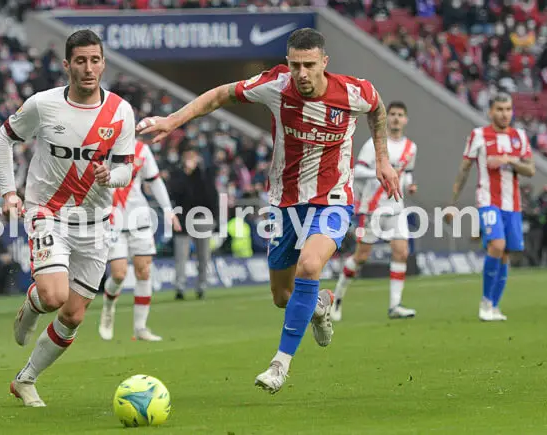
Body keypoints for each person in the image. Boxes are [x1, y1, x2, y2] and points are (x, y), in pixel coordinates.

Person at [136, 28, 400, 394]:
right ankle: (319, 303)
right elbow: (221, 94)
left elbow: (378, 109)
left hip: (333, 199)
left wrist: (383, 159)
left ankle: (280, 364)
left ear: (324, 62)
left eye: (309, 65)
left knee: (310, 265)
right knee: (282, 297)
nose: (302, 73)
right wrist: (171, 121)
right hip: (284, 203)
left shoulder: (354, 91)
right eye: (295, 65)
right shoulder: (276, 85)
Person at [0, 30, 136, 408]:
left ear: (103, 64)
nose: (88, 68)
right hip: (48, 212)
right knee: (54, 296)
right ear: (67, 65)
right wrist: (9, 192)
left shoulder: (121, 111)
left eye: (95, 60)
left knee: (73, 315)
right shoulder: (44, 104)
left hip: (96, 222)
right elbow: (3, 138)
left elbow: (126, 169)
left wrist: (111, 176)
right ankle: (34, 303)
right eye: (80, 61)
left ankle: (25, 379)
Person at [446, 93, 536, 322]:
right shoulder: (478, 135)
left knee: (505, 254)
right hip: (488, 200)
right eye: (500, 109)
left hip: (512, 204)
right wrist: (452, 203)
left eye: (508, 109)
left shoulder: (519, 136)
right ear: (490, 112)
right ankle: (485, 302)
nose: (505, 114)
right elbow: (464, 170)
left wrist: (509, 160)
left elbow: (531, 170)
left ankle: (494, 306)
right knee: (497, 245)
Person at [331, 101, 418, 321]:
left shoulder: (411, 147)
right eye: (393, 114)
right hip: (373, 208)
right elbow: (358, 170)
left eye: (400, 114)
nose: (396, 118)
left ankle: (395, 305)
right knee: (361, 256)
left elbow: (407, 173)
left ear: (406, 120)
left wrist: (409, 185)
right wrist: (381, 173)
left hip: (396, 207)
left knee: (401, 252)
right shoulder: (375, 144)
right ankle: (337, 298)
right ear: (387, 118)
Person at [97, 140, 181, 342]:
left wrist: (168, 210)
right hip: (112, 218)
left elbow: (155, 181)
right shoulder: (100, 146)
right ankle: (108, 307)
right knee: (119, 274)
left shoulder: (141, 150)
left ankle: (140, 328)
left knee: (144, 271)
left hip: (139, 218)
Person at [167, 149, 218, 300]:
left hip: (202, 217)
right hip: (183, 219)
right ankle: (180, 287)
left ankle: (201, 285)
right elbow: (174, 192)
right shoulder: (177, 175)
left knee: (203, 255)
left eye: (193, 158)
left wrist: (214, 218)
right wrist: (186, 175)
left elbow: (209, 195)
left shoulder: (204, 175)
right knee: (180, 256)